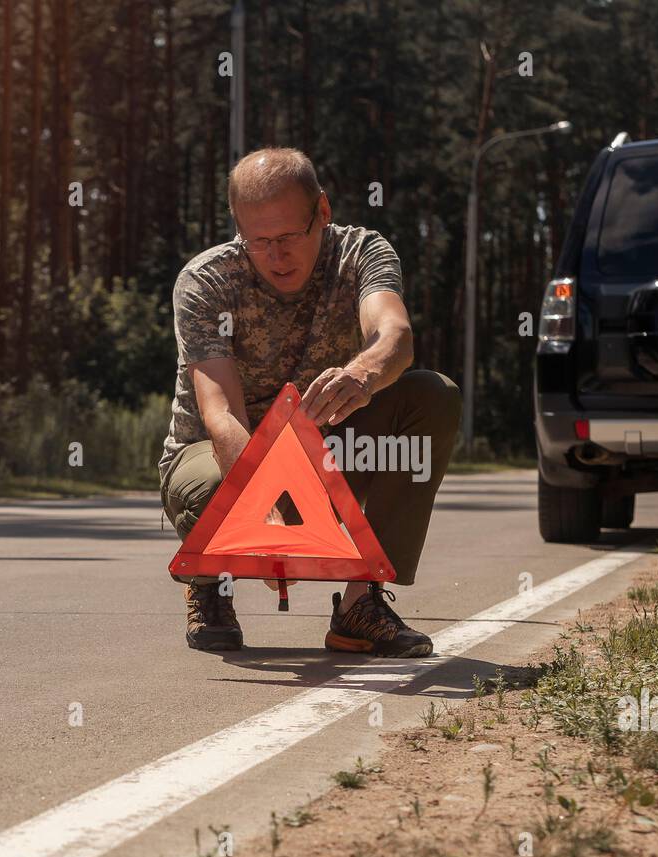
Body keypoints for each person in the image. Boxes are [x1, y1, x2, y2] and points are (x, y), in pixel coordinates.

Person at [158, 147, 461, 656]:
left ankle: (361, 606)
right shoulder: (206, 280)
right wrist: (263, 510)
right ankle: (211, 583)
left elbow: (395, 334)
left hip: (323, 452)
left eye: (288, 238)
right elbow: (221, 413)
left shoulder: (362, 254)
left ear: (322, 211)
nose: (275, 257)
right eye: (258, 241)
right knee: (213, 486)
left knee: (431, 396)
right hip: (215, 453)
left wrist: (363, 374)